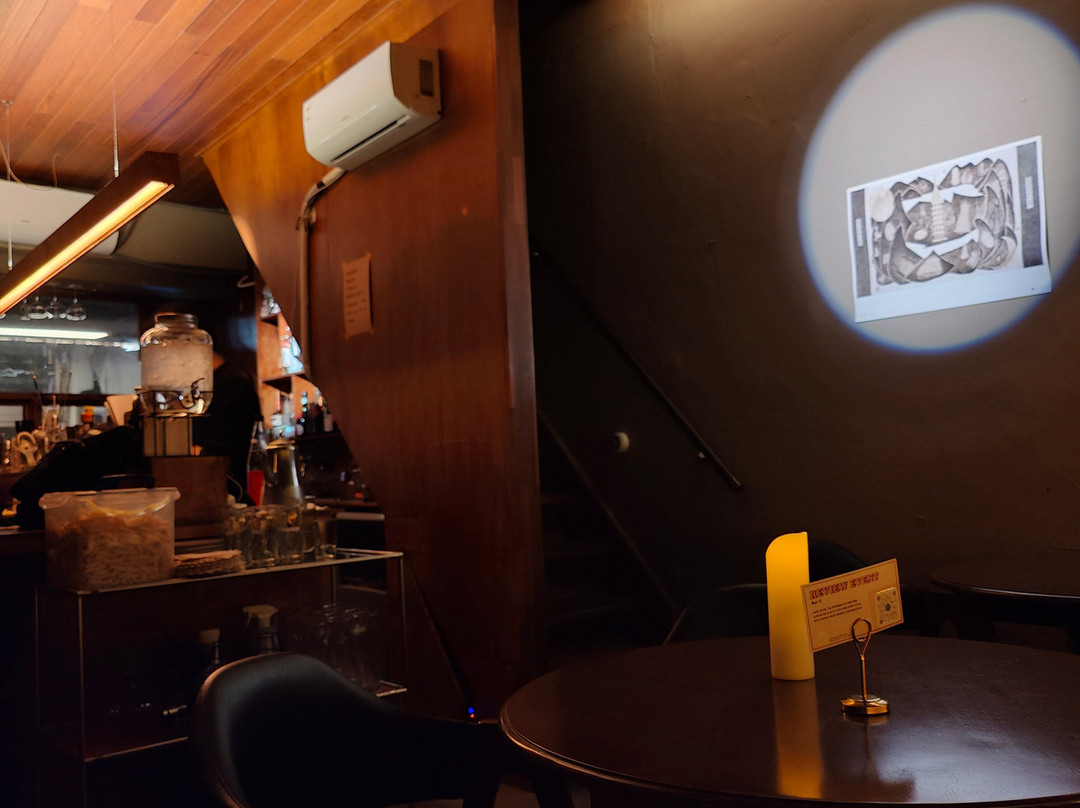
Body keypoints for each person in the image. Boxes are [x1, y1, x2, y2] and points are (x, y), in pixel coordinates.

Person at [193, 351, 262, 504]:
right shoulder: (234, 379)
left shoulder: (230, 383)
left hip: (228, 487)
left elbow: (218, 440)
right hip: (230, 487)